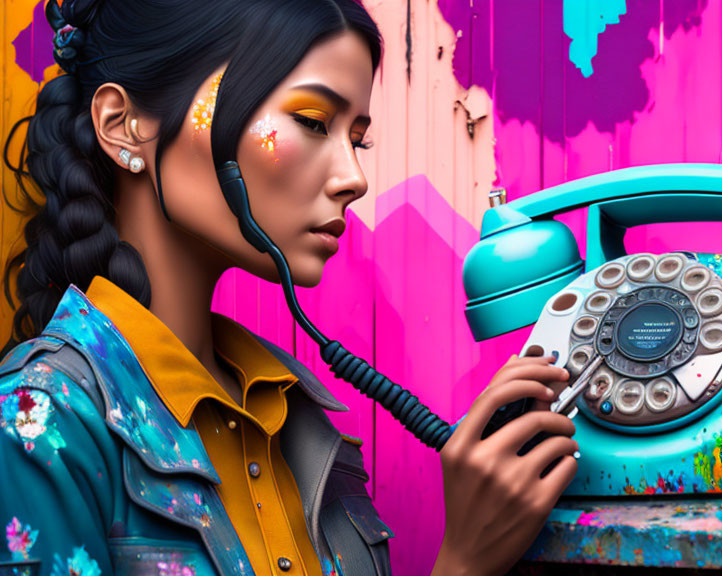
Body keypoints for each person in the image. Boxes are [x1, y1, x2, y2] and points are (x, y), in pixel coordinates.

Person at [0, 1, 579, 575]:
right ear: (124, 127)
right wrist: (464, 565)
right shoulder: (38, 421)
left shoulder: (295, 418)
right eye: (310, 121)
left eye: (359, 139)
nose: (354, 178)